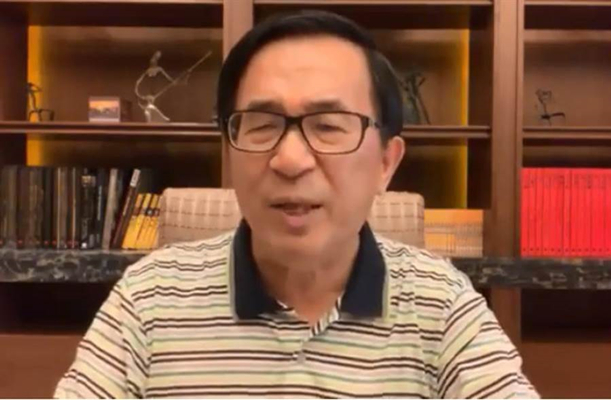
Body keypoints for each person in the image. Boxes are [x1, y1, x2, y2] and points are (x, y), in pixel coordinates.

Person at [55, 10, 538, 398]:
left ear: (385, 163)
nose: (289, 160)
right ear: (230, 150)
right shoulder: (149, 298)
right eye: (262, 125)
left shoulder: (440, 304)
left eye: (327, 126)